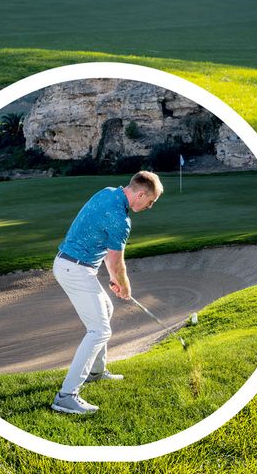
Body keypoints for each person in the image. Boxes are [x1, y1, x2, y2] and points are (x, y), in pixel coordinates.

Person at [50, 170, 163, 415]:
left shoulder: (108, 192)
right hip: (75, 269)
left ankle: (96, 371)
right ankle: (66, 396)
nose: (150, 206)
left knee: (107, 310)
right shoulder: (121, 220)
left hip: (72, 264)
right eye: (151, 201)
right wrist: (124, 284)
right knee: (99, 330)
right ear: (141, 194)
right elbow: (115, 263)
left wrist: (115, 280)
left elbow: (99, 241)